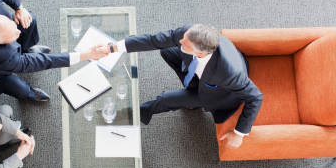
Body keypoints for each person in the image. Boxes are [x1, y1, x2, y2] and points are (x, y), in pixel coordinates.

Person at [102, 24, 263, 149]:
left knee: (166, 99)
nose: (180, 42)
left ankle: (135, 114)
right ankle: (190, 94)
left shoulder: (229, 73)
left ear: (199, 53)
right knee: (166, 50)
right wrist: (113, 48)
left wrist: (239, 134)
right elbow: (154, 40)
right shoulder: (190, 33)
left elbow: (255, 96)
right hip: (202, 74)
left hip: (218, 94)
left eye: (185, 44)